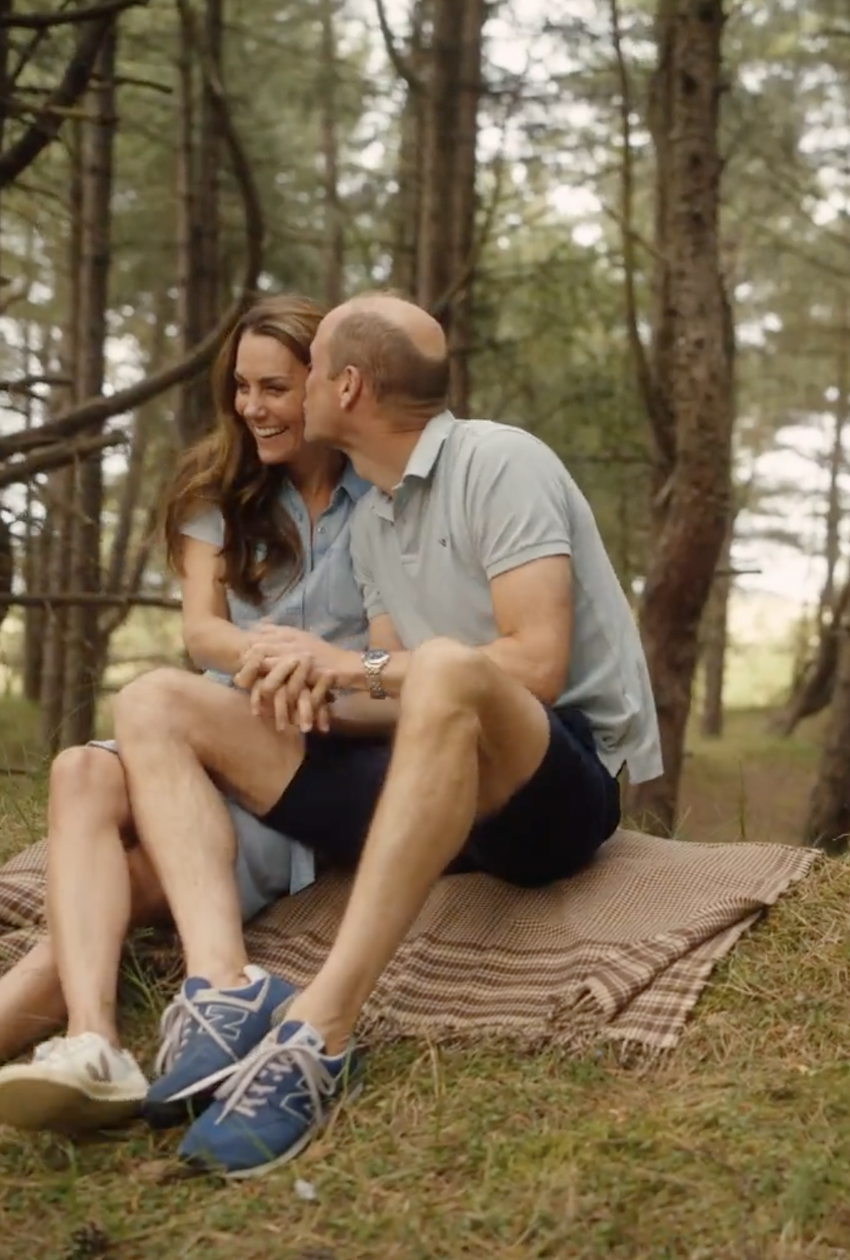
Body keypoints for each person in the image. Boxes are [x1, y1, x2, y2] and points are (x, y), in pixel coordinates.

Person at [0, 295, 379, 1181]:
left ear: (328, 388)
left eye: (276, 388)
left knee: (93, 916)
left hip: (283, 771)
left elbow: (389, 653)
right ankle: (93, 1038)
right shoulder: (218, 489)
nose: (254, 407)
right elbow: (204, 635)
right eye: (242, 387)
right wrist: (281, 655)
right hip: (194, 735)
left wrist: (324, 671)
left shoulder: (382, 498)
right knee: (78, 771)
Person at [102, 291, 661, 1177]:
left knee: (445, 667)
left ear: (348, 386)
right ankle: (224, 989)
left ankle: (319, 1033)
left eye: (310, 370)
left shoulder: (501, 462)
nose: (285, 394)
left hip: (548, 787)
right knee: (156, 701)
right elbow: (390, 695)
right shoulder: (376, 517)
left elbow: (535, 663)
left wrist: (348, 665)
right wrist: (304, 683)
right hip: (426, 788)